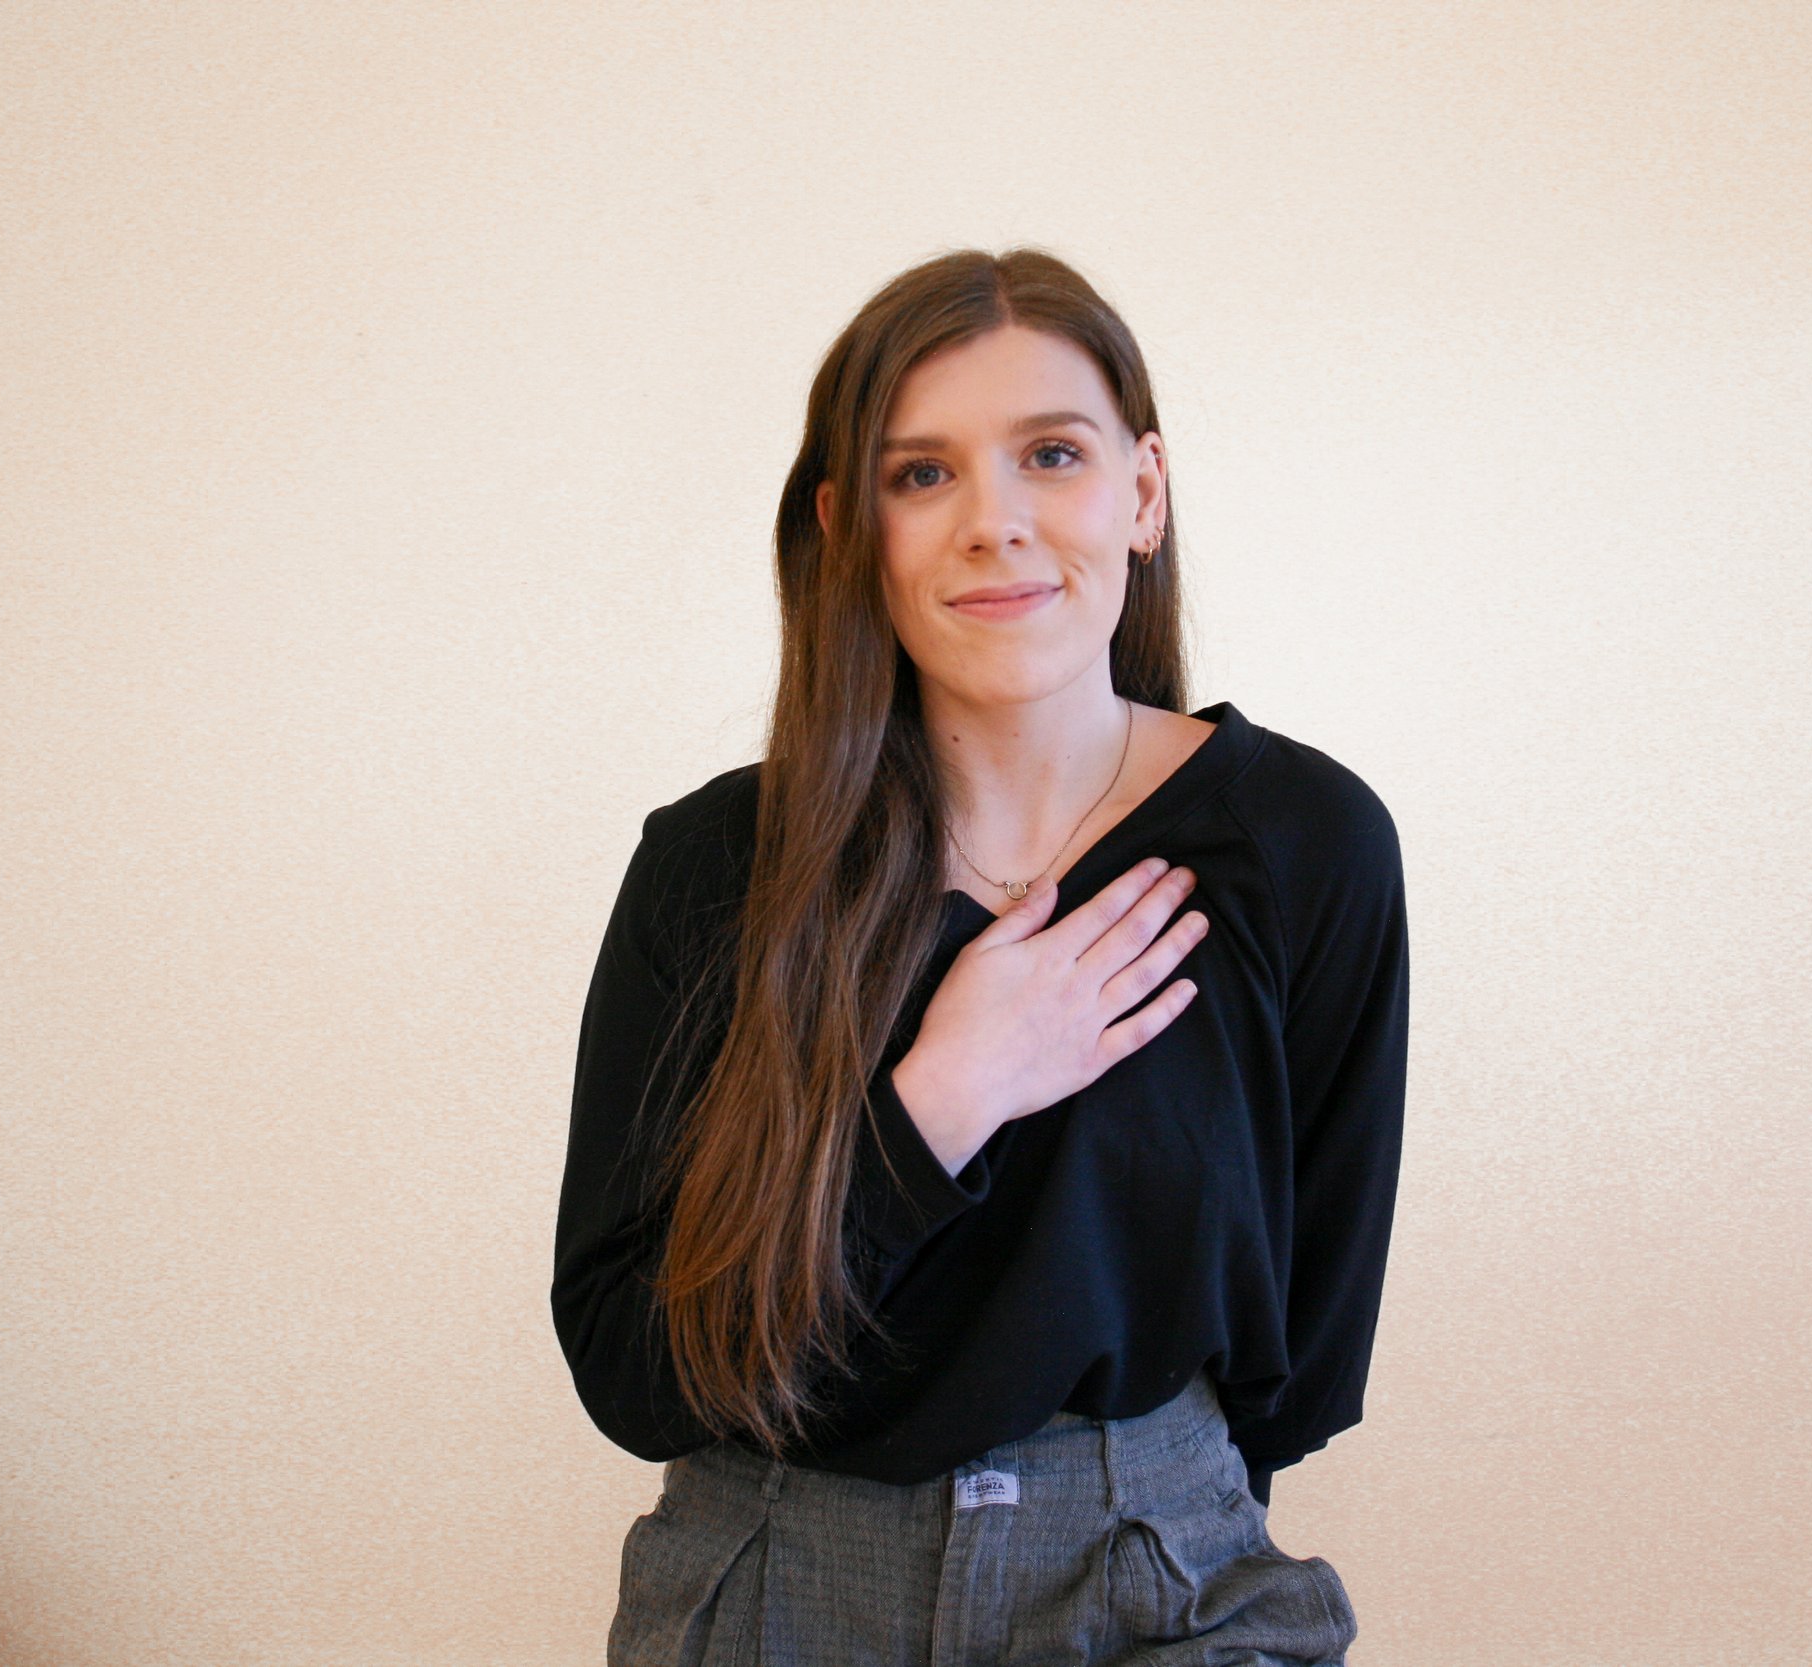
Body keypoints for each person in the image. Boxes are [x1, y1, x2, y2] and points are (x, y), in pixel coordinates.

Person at [552, 246, 1409, 1666]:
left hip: (1161, 1580)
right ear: (846, 529)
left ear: (1142, 493)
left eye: (1051, 456)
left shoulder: (1303, 843)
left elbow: (1303, 1356)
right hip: (778, 1578)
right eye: (922, 474)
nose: (994, 523)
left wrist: (1130, 1505)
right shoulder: (715, 872)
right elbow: (635, 1370)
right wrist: (940, 1100)